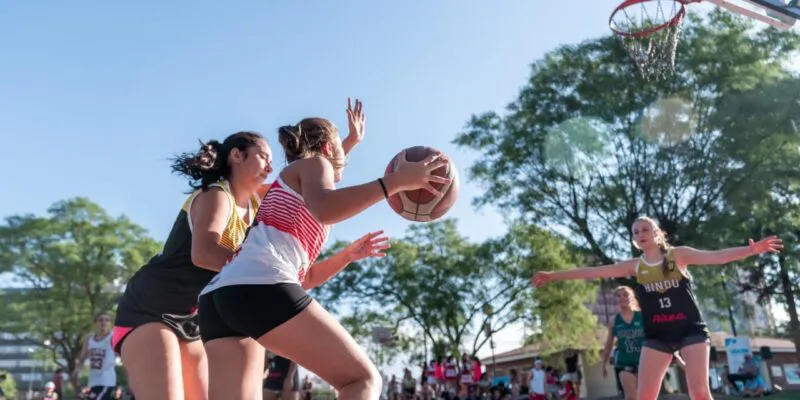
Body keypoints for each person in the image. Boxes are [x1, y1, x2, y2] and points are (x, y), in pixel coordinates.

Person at [198, 103, 451, 400]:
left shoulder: (295, 193)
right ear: (329, 148)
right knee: (362, 380)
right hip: (257, 286)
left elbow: (304, 280)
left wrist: (347, 256)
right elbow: (327, 201)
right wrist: (394, 182)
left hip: (220, 296)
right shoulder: (315, 166)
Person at [533, 216, 782, 400]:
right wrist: (553, 275)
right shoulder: (635, 266)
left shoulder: (678, 256)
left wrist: (751, 250)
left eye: (645, 229)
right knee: (645, 396)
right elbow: (593, 271)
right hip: (657, 336)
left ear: (657, 233)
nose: (640, 233)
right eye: (635, 232)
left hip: (690, 330)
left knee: (699, 391)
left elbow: (717, 256)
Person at [113, 130, 273, 400]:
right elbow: (205, 253)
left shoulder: (256, 203)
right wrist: (261, 273)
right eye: (263, 157)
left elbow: (303, 184)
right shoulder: (217, 195)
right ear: (236, 155)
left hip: (191, 322)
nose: (270, 166)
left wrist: (345, 146)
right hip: (149, 310)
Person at [74, 312, 117, 400]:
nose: (103, 322)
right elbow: (82, 358)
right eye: (100, 320)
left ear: (110, 323)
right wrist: (77, 370)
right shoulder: (89, 339)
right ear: (95, 323)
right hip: (93, 381)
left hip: (107, 381)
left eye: (107, 320)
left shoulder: (113, 337)